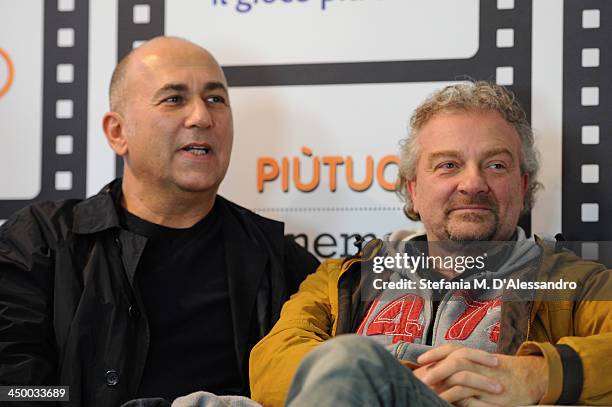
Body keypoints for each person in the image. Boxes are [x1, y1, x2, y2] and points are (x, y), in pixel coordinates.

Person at [249, 82, 612, 406]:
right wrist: (392, 384)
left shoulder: (572, 282)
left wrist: (534, 376)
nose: (473, 183)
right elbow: (270, 362)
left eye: (496, 166)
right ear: (413, 189)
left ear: (522, 185)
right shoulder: (345, 277)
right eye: (448, 165)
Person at [0, 36, 318, 406]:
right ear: (118, 132)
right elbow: (14, 388)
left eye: (216, 99)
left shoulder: (281, 263)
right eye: (174, 99)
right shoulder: (39, 243)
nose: (202, 117)